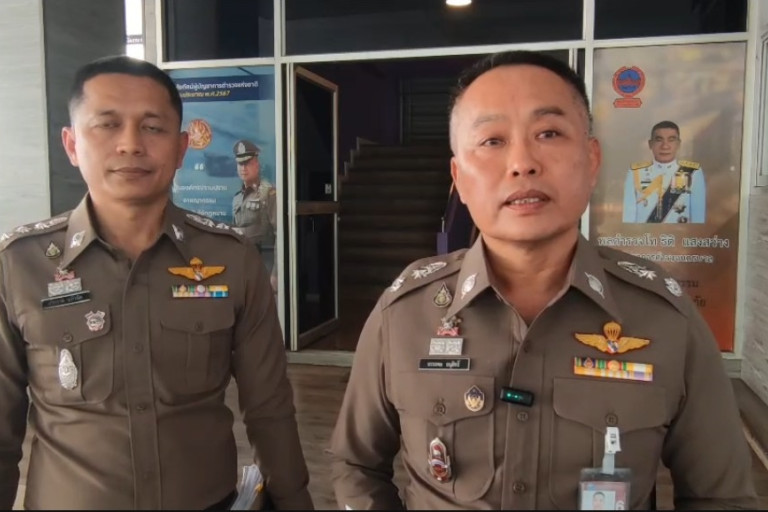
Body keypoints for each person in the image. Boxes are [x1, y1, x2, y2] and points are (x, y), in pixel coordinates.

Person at [328, 51, 757, 510]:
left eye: (548, 133)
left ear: (591, 160)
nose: (522, 163)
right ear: (459, 179)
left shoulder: (665, 319)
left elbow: (721, 497)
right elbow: (356, 465)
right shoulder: (405, 313)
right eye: (492, 140)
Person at [0, 55, 313, 510]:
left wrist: (294, 500)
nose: (130, 144)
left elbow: (269, 408)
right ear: (71, 144)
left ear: (182, 148)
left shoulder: (231, 259)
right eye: (107, 124)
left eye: (152, 127)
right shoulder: (18, 265)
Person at [622, 121, 706, 224]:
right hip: (645, 234)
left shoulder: (693, 172)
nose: (665, 146)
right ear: (650, 144)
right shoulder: (635, 172)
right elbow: (628, 218)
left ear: (678, 144)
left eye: (671, 140)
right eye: (659, 140)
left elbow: (698, 219)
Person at [232, 139, 278, 292]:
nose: (243, 168)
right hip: (243, 265)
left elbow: (280, 234)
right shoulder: (237, 198)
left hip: (264, 263)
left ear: (257, 164)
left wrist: (276, 273)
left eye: (247, 163)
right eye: (240, 164)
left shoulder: (268, 193)